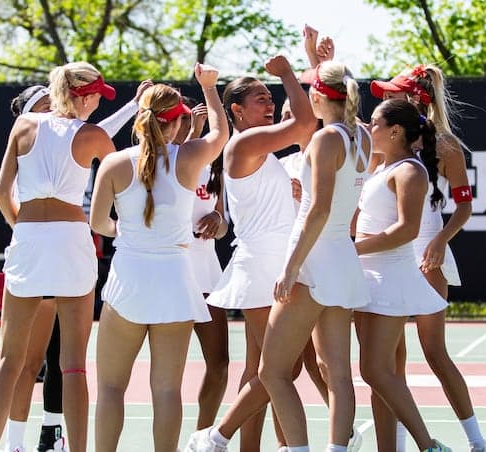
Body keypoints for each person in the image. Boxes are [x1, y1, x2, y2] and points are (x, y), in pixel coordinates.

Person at [1, 80, 153, 452]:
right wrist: (26, 229)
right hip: (51, 249)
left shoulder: (68, 134)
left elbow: (95, 136)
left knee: (58, 359)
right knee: (32, 359)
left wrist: (133, 107)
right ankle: (15, 442)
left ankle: (50, 434)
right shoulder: (34, 133)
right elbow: (99, 140)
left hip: (54, 249)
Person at [89, 63, 229, 452]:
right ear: (176, 122)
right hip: (174, 282)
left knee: (111, 388)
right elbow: (221, 132)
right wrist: (209, 87)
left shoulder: (115, 163)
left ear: (140, 118)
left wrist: (130, 234)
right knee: (167, 390)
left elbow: (100, 222)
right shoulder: (189, 158)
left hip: (128, 280)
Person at [185, 54, 316, 452]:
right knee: (283, 367)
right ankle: (217, 438)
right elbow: (307, 124)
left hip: (275, 264)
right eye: (261, 98)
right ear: (237, 111)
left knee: (267, 368)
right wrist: (288, 74)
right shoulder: (246, 142)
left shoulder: (262, 149)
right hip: (262, 269)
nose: (270, 102)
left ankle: (230, 443)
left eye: (269, 95)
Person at [0, 62, 118, 452]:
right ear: (85, 95)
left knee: (10, 361)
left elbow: (0, 193)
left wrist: (25, 231)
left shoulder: (23, 126)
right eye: (97, 95)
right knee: (73, 364)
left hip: (27, 239)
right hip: (71, 241)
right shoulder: (93, 135)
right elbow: (123, 192)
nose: (97, 103)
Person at [370, 65, 486, 452]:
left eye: (392, 94)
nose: (385, 100)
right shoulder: (383, 145)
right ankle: (399, 446)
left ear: (412, 100)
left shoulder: (446, 146)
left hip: (424, 253)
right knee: (389, 363)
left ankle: (477, 442)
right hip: (386, 256)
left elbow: (464, 206)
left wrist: (440, 240)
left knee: (434, 350)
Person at [264, 61, 371, 452]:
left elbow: (319, 209)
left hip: (315, 261)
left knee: (272, 371)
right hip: (341, 259)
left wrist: (291, 267)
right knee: (338, 374)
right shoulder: (362, 135)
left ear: (318, 96)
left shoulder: (328, 140)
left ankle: (298, 449)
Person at [353, 98, 452, 452]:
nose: (369, 129)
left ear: (395, 131)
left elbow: (407, 230)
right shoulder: (380, 168)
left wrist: (354, 249)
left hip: (389, 280)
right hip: (365, 279)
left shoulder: (411, 171)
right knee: (380, 376)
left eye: (375, 123)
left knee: (375, 371)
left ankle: (429, 446)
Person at [174, 96, 233, 431]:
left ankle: (202, 435)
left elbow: (223, 226)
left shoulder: (215, 168)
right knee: (170, 372)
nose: (186, 123)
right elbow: (175, 167)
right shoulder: (162, 161)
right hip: (173, 275)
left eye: (191, 118)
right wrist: (195, 131)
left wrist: (216, 221)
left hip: (207, 274)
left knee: (220, 362)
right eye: (181, 119)